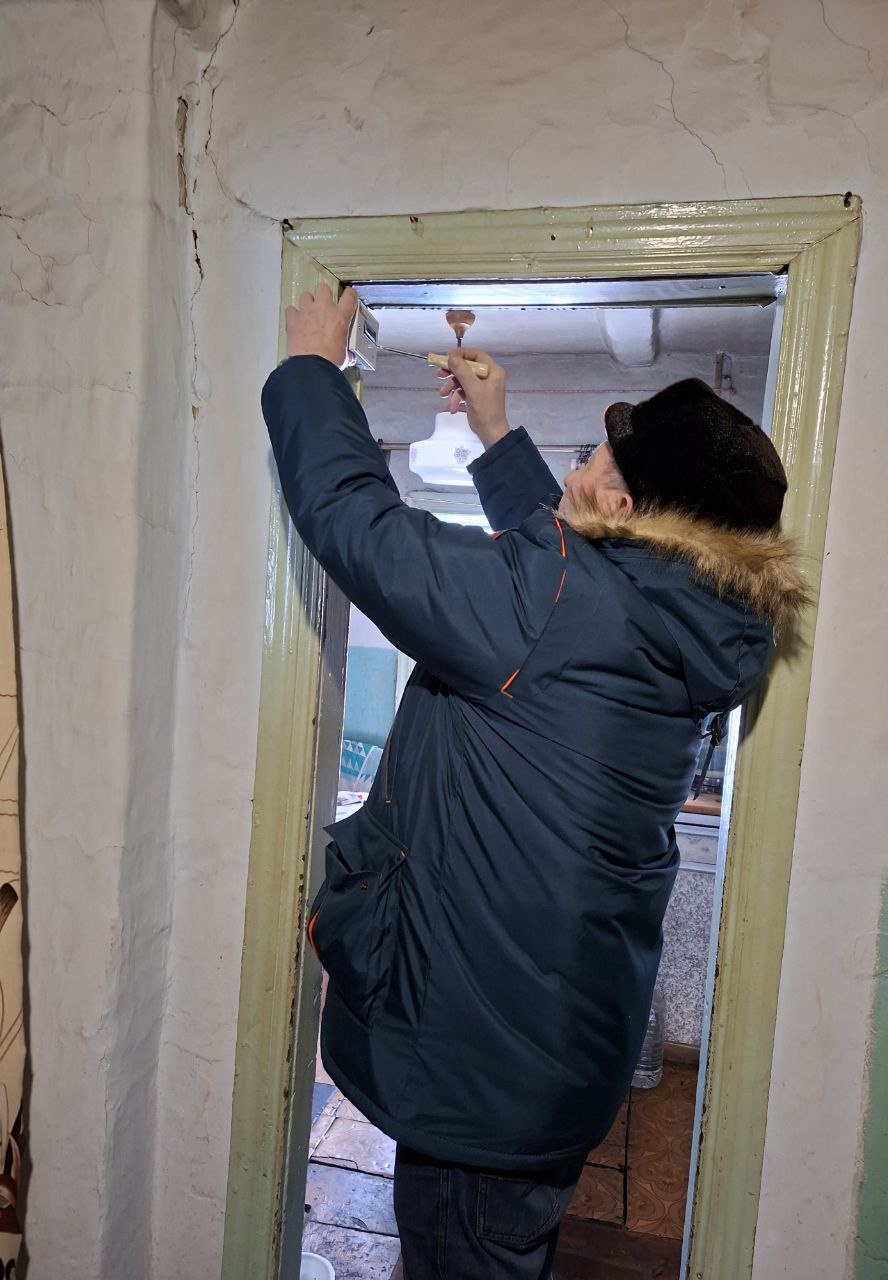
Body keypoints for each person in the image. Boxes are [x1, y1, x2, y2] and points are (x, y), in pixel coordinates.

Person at [261, 285, 808, 1280]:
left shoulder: (559, 607)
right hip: (553, 1055)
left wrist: (312, 369)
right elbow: (560, 587)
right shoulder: (693, 623)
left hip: (480, 1069)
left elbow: (359, 526)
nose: (578, 468)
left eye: (594, 459)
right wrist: (494, 430)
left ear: (622, 506)